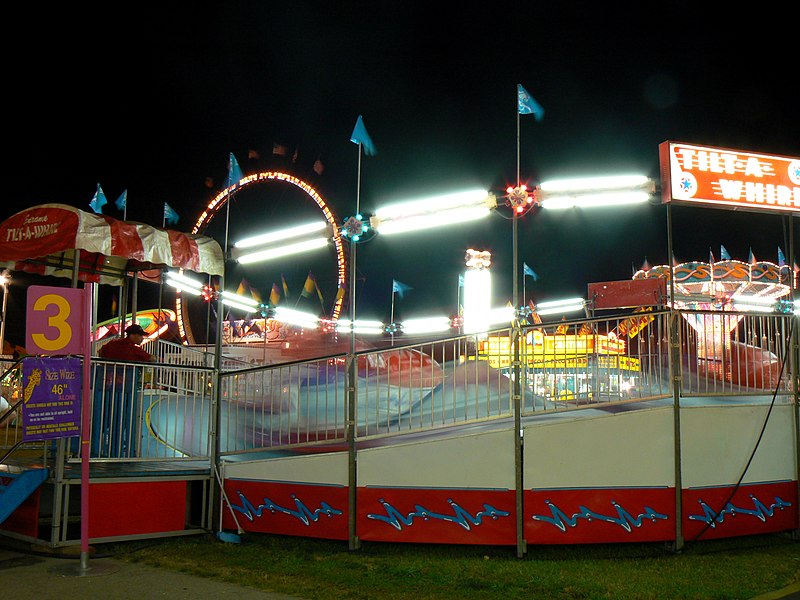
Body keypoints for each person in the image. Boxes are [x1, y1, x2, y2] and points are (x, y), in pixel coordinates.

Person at [93, 324, 155, 457]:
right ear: (132, 335)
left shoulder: (112, 344)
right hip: (125, 388)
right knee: (125, 418)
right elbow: (151, 358)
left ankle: (98, 448)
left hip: (107, 386)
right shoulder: (132, 349)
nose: (142, 339)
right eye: (140, 336)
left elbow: (100, 352)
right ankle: (122, 449)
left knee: (105, 416)